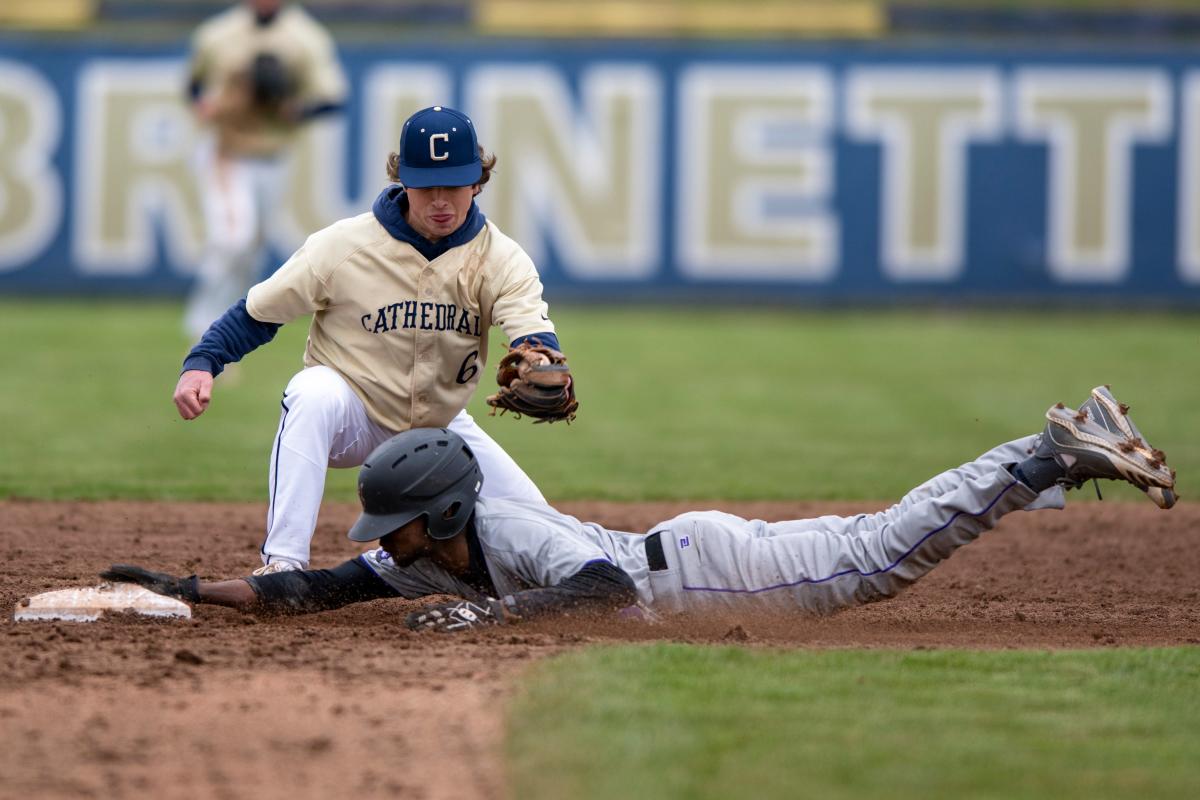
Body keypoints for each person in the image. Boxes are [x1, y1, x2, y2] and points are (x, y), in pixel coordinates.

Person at [110, 386, 1176, 629]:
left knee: (879, 554)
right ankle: (1049, 458)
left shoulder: (506, 533)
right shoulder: (424, 546)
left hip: (701, 570)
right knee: (875, 546)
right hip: (686, 559)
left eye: (391, 525)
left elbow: (603, 584)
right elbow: (317, 587)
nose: (378, 545)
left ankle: (1045, 451)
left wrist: (487, 616)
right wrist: (189, 588)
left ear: (434, 513)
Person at [173, 104, 575, 576]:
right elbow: (259, 312)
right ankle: (283, 563)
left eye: (455, 184)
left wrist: (543, 358)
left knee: (546, 526)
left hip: (439, 428)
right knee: (312, 392)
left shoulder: (501, 258)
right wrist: (203, 361)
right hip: (353, 417)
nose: (441, 200)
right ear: (403, 181)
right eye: (427, 186)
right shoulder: (343, 246)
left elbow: (530, 331)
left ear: (477, 183)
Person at [183, 0, 347, 340]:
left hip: (273, 156)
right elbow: (194, 85)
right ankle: (203, 331)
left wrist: (295, 109)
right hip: (226, 151)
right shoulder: (219, 34)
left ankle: (227, 330)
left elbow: (333, 99)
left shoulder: (305, 37)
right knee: (232, 240)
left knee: (250, 251)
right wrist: (207, 105)